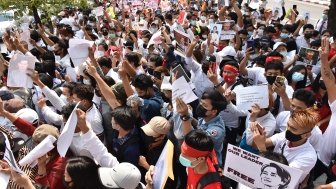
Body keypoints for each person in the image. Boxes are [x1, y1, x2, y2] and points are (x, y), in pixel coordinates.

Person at [253, 109, 319, 187]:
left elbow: (278, 176)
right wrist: (258, 133)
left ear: (306, 135)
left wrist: (261, 147)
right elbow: (256, 144)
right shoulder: (283, 136)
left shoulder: (308, 157)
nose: (288, 130)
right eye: (288, 125)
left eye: (294, 129)